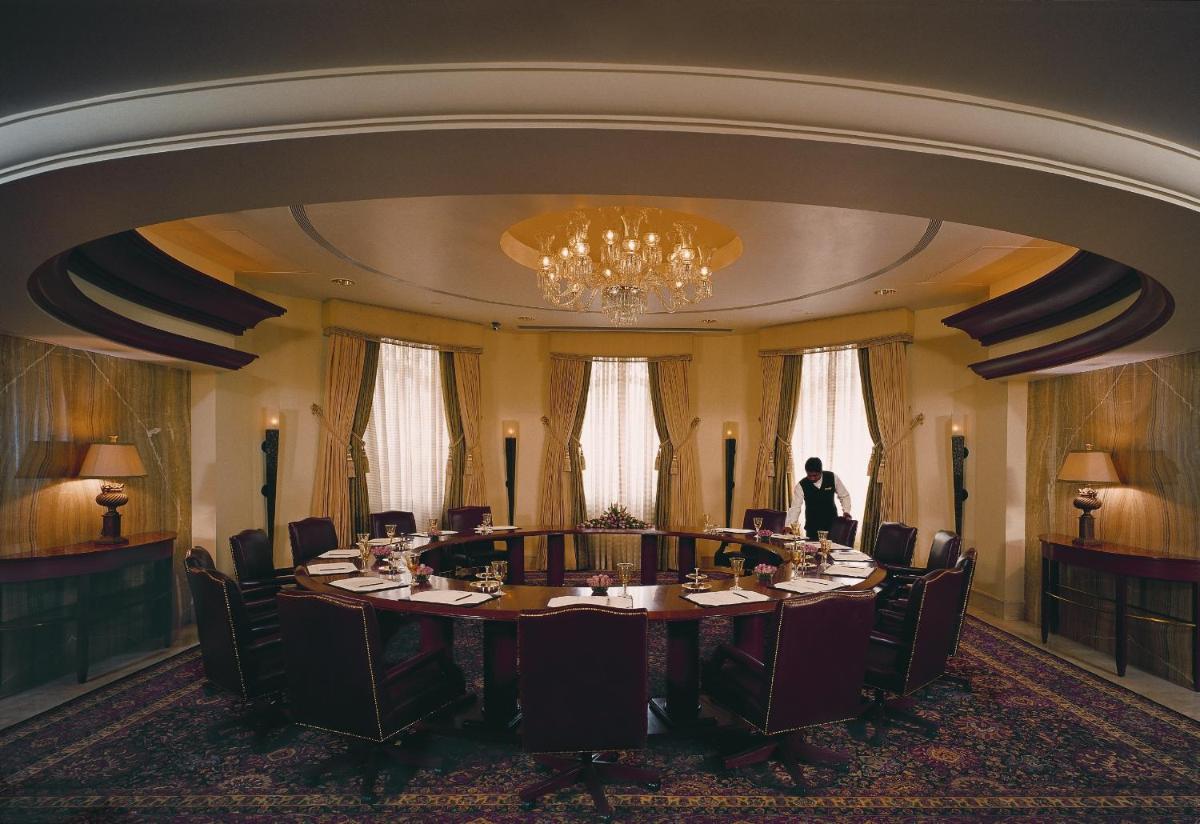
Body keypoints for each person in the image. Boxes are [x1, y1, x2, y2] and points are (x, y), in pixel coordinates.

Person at [785, 457, 851, 538]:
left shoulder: (832, 477)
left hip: (832, 526)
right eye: (809, 475)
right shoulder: (801, 485)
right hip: (812, 528)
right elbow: (795, 508)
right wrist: (789, 525)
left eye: (815, 475)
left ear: (821, 472)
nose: (812, 478)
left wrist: (846, 511)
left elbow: (844, 495)